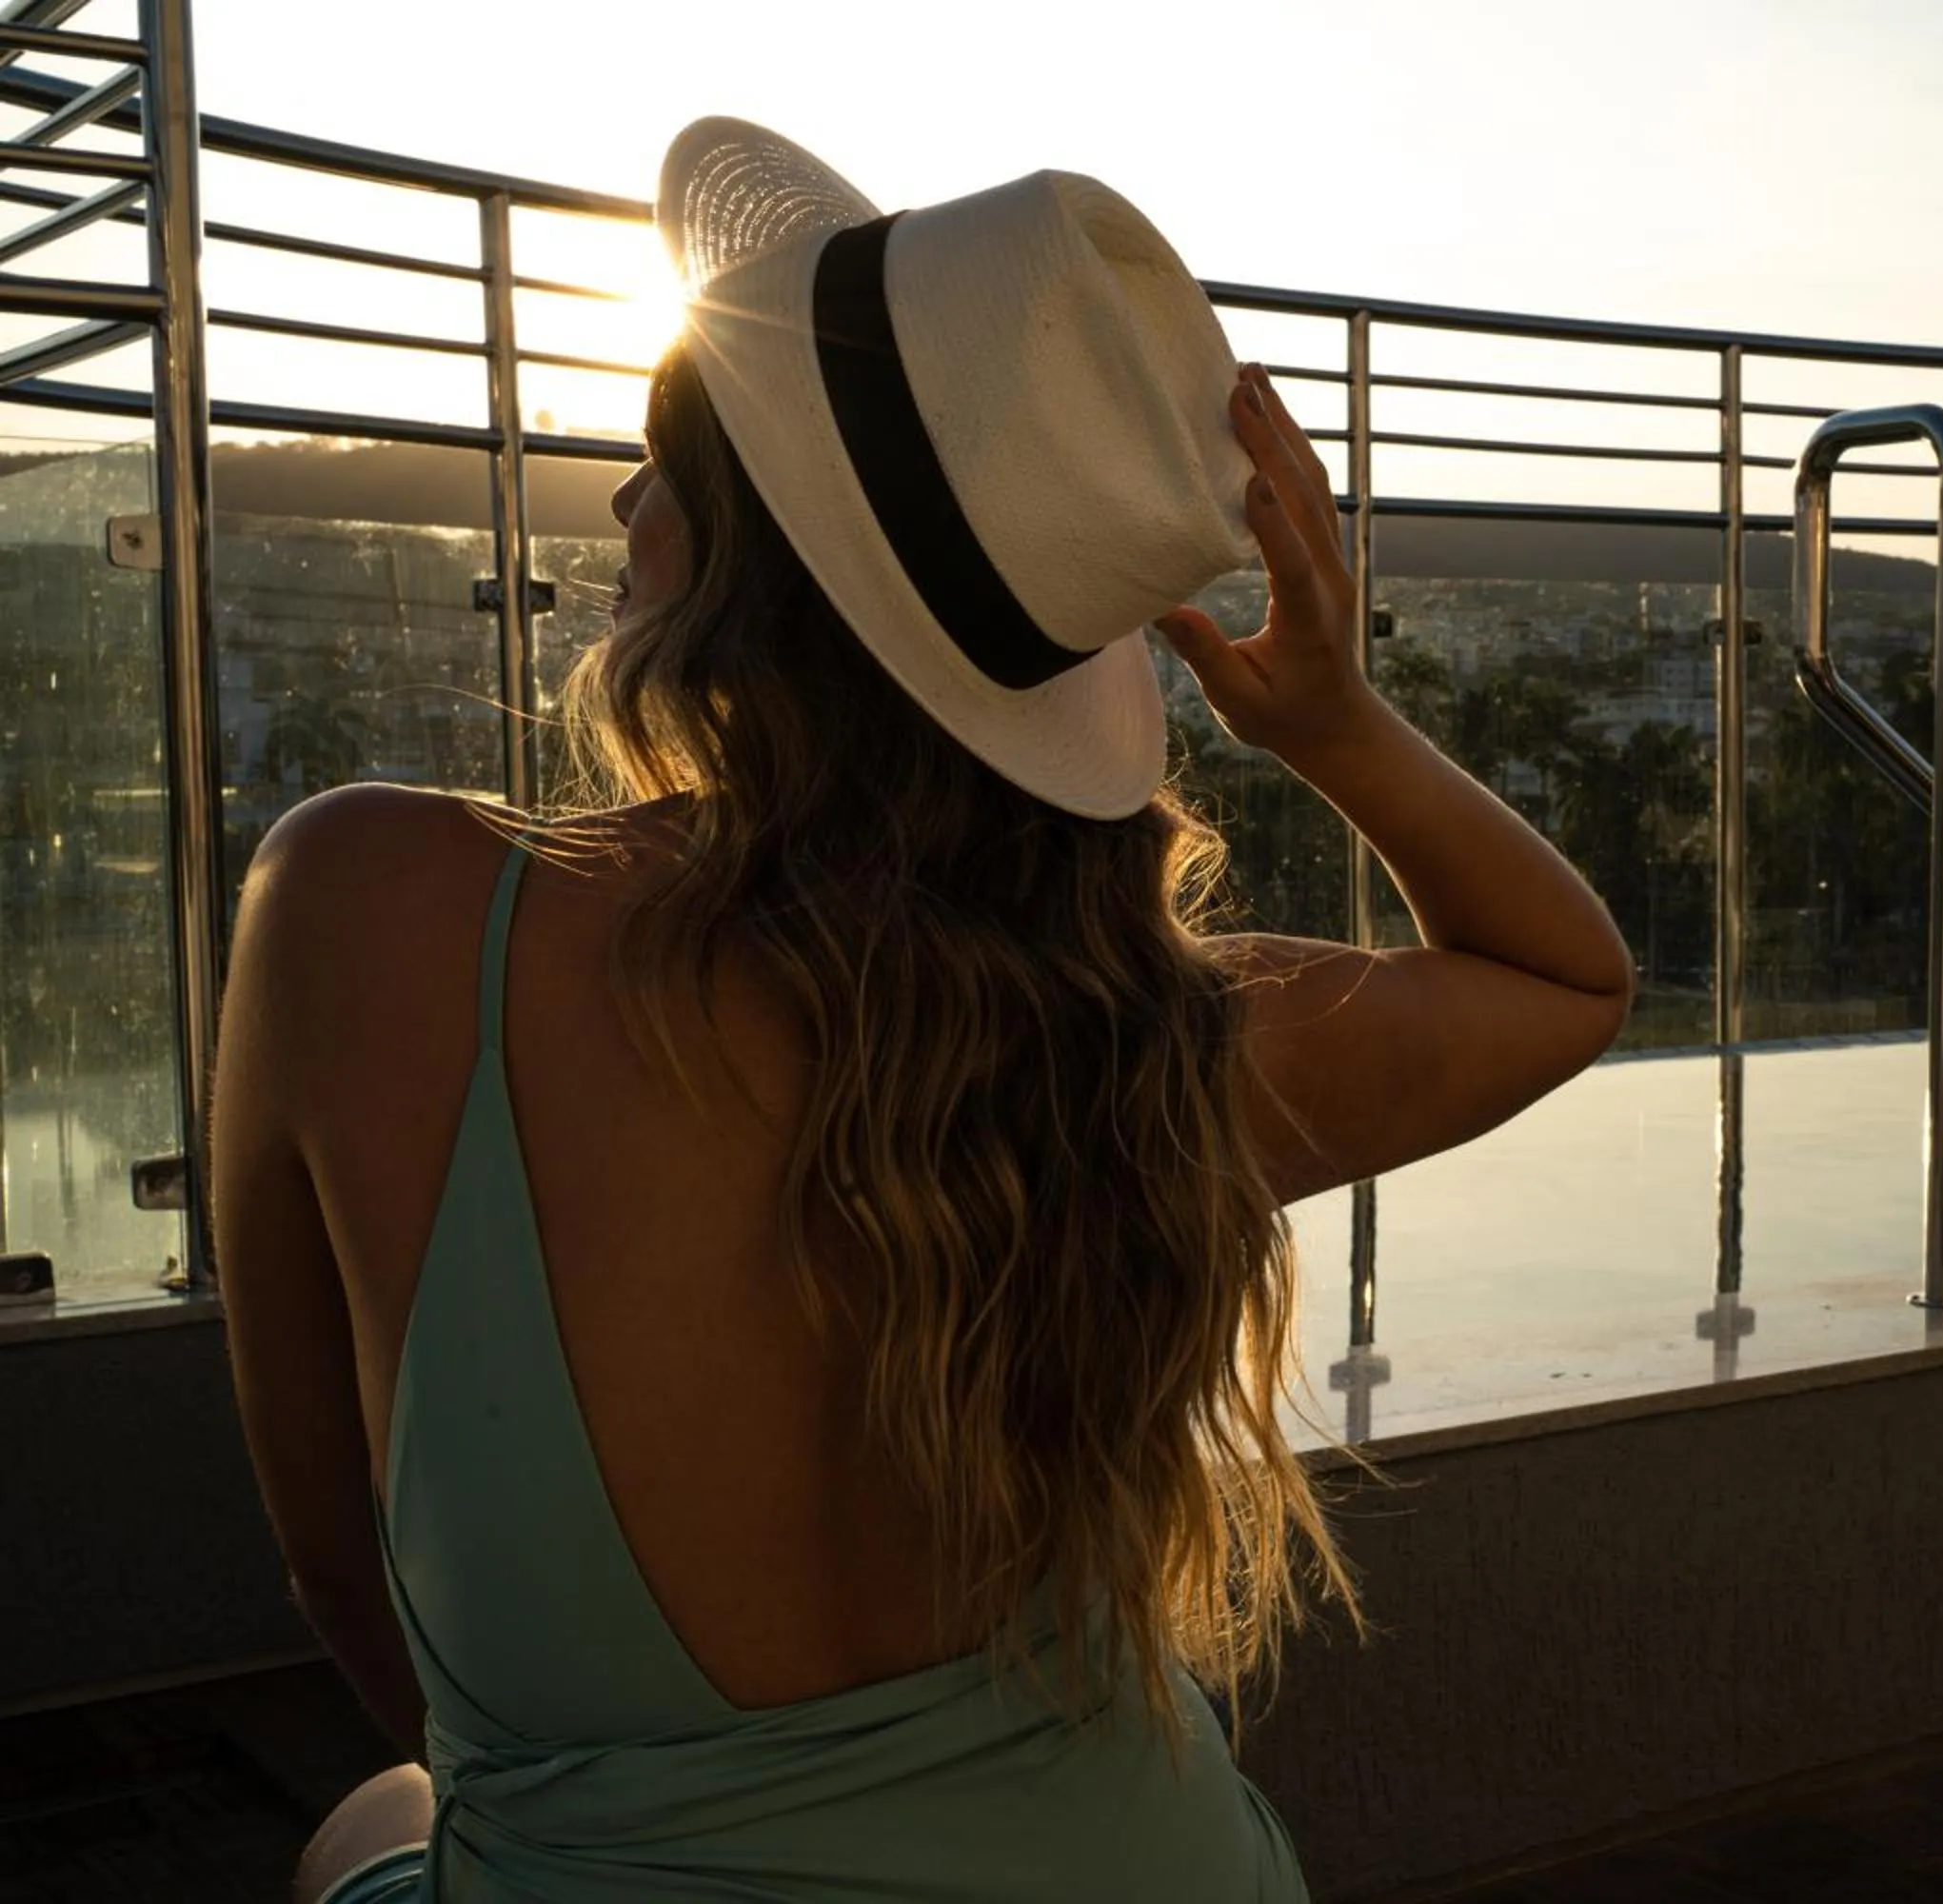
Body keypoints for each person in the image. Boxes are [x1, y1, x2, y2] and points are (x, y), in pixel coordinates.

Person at [213, 121, 1632, 1902]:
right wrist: (1335, 721)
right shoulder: (1141, 1048)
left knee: (373, 1820)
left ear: (731, 562)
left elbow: (344, 1570)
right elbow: (1563, 977)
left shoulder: (369, 907)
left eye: (663, 460)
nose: (622, 507)